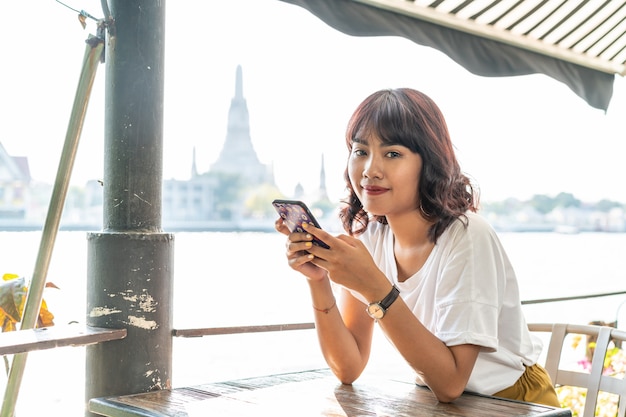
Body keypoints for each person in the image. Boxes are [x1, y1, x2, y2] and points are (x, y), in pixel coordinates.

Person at [275, 88, 560, 406]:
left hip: (514, 402)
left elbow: (451, 382)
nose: (370, 169)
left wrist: (374, 286)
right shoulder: (371, 240)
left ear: (429, 164)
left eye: (393, 153)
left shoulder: (467, 237)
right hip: (435, 403)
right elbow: (348, 367)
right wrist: (319, 280)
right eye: (360, 151)